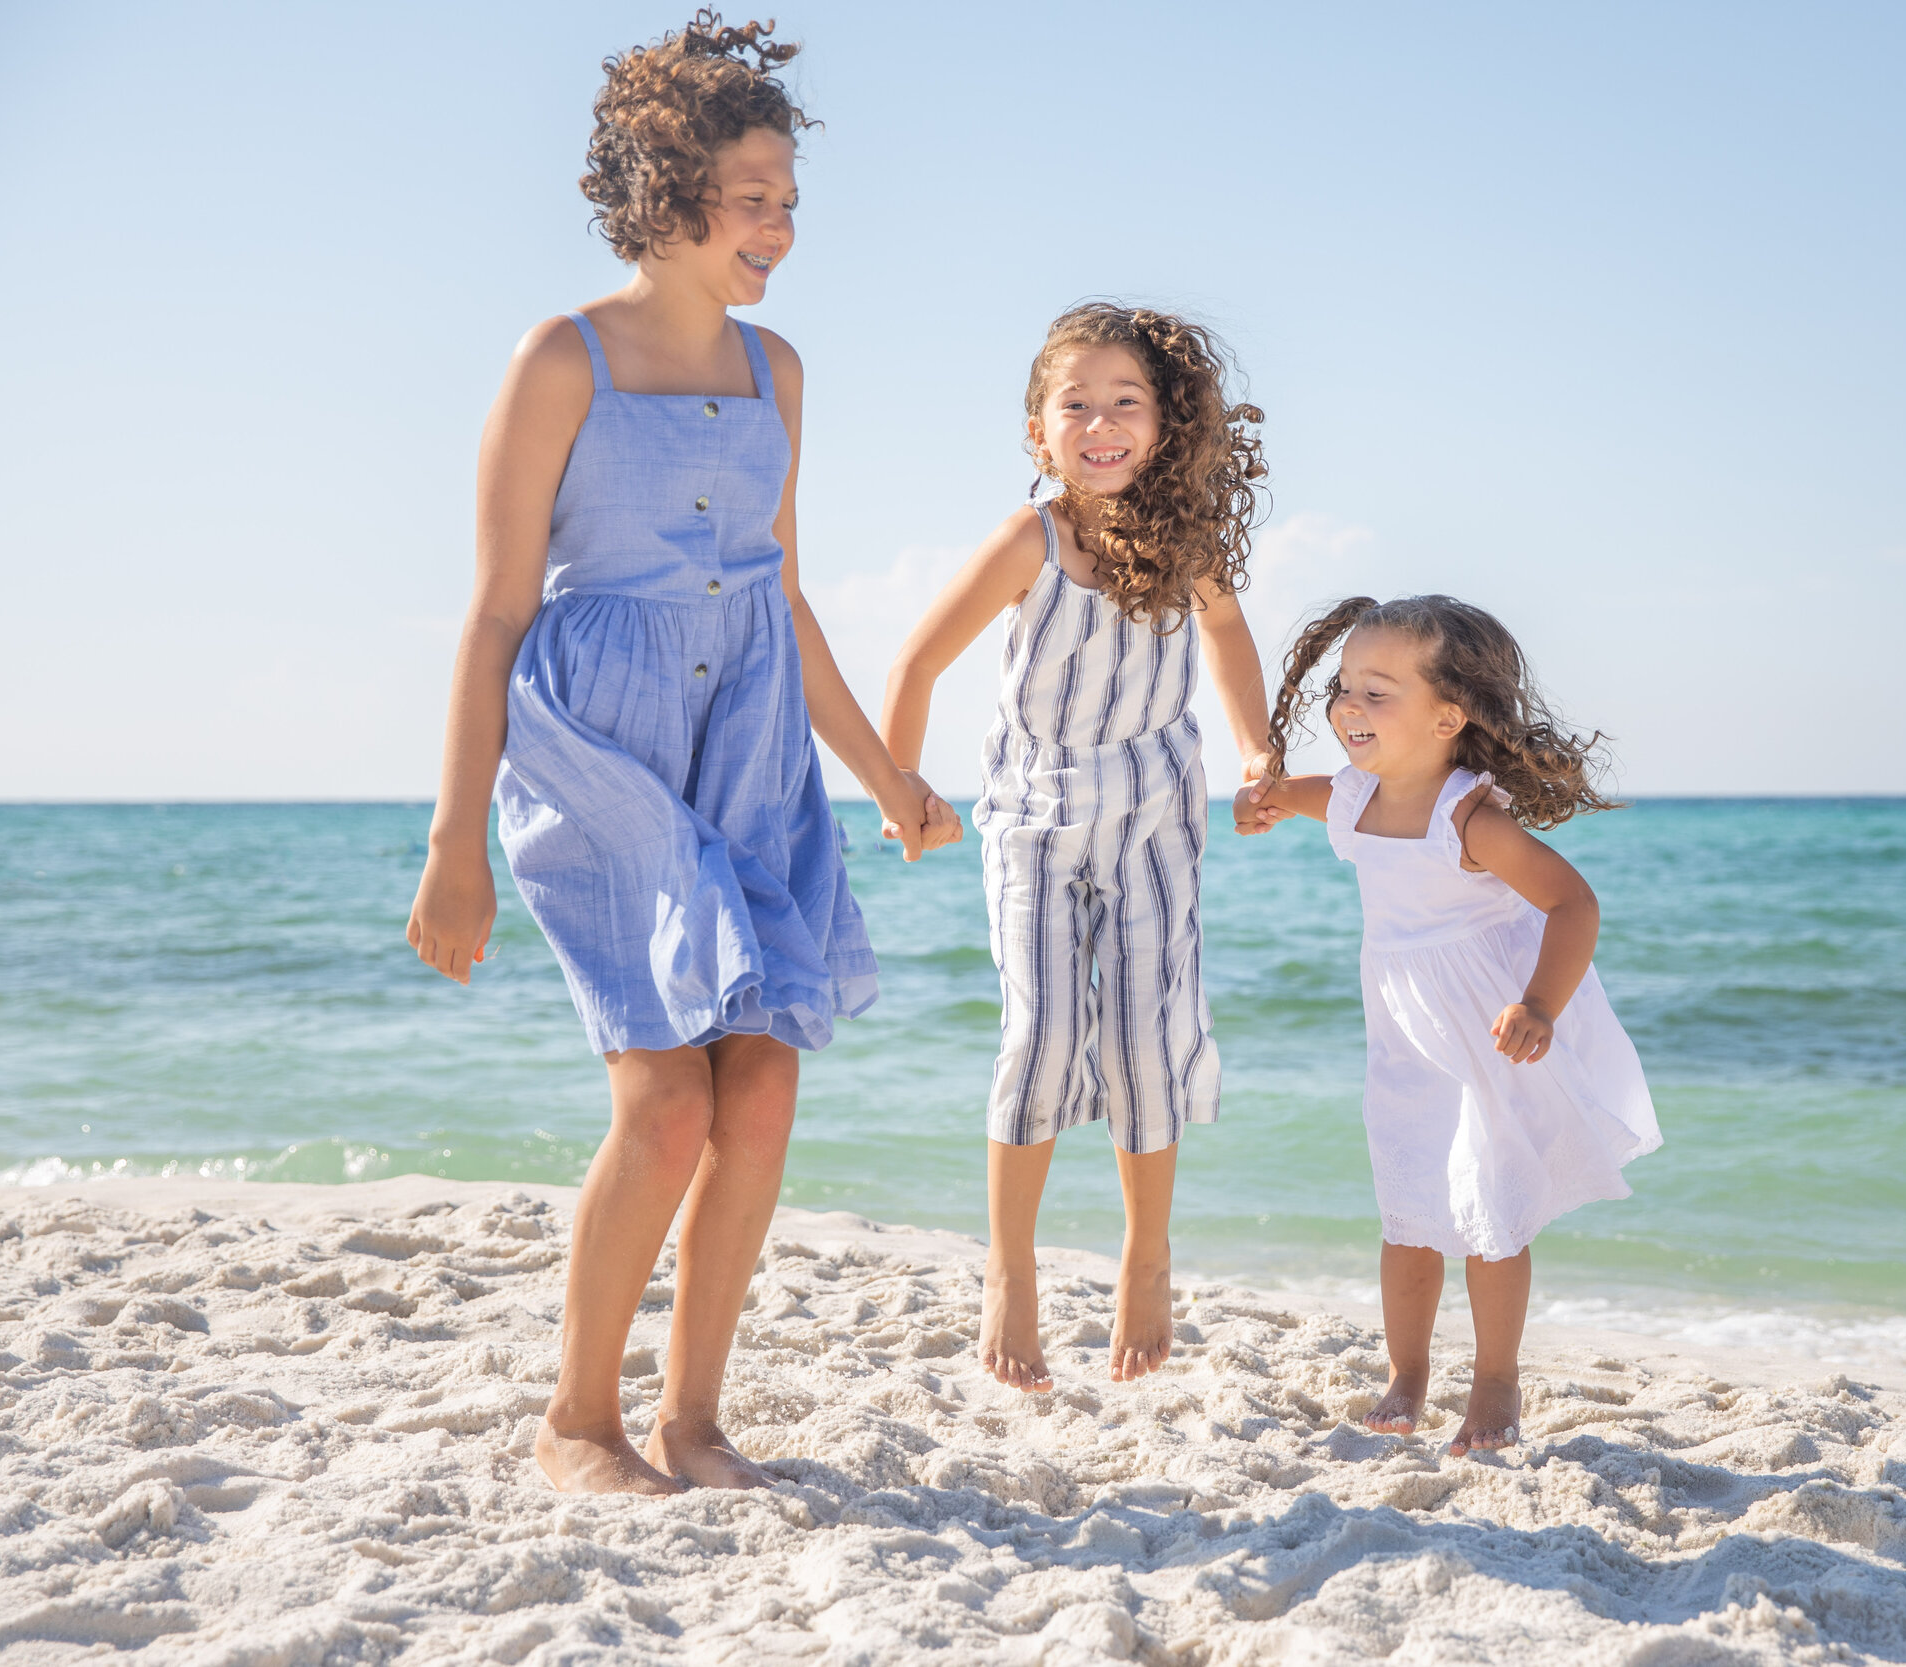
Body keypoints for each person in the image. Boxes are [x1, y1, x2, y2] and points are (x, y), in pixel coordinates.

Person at [404, 14, 952, 1494]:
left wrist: (889, 775)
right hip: (603, 750)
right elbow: (500, 610)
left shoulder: (779, 368)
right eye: (756, 195)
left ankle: (690, 1417)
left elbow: (782, 585)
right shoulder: (561, 358)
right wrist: (456, 841)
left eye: (790, 197)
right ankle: (576, 1417)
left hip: (752, 738)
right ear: (669, 190)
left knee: (761, 1084)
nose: (781, 225)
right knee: (666, 1099)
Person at [880, 304, 1274, 1390]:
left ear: (1163, 423)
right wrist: (902, 788)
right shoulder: (1031, 542)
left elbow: (1230, 635)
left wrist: (1256, 752)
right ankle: (1010, 1269)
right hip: (1036, 813)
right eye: (1076, 405)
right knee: (1045, 1036)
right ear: (1036, 429)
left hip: (1155, 804)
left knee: (1150, 1042)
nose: (1100, 423)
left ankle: (1146, 1259)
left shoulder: (1184, 539)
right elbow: (916, 664)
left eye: (1125, 403)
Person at [1236, 595, 1660, 1454]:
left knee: (1488, 1212)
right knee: (1408, 1209)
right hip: (1402, 1038)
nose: (1349, 707)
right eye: (1344, 686)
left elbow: (1572, 901)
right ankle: (1409, 1371)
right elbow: (1314, 796)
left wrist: (1541, 1002)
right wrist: (1272, 798)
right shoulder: (1356, 799)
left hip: (1486, 1037)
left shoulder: (1470, 818)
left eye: (1378, 692)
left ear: (1446, 718)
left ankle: (1497, 1382)